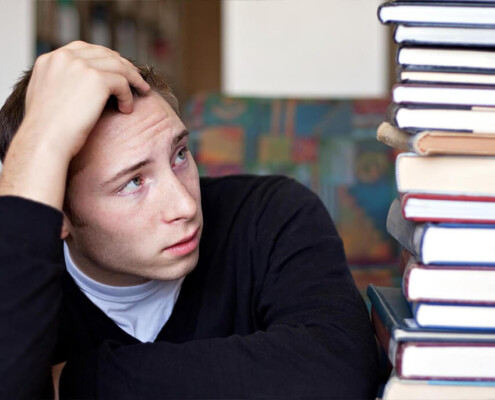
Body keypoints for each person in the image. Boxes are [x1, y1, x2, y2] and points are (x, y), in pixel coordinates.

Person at [0, 41, 379, 399]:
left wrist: (72, 382)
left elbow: (338, 369)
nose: (184, 204)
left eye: (179, 154)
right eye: (133, 182)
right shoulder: (20, 268)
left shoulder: (271, 212)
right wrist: (37, 145)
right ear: (59, 215)